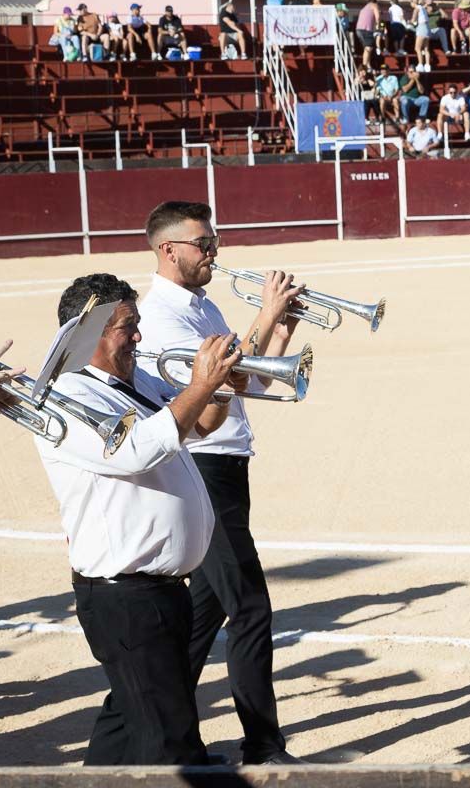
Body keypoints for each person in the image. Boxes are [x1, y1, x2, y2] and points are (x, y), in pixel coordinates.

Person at [35, 273, 242, 765]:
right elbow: (133, 452)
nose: (139, 336)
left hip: (159, 589)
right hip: (123, 594)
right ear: (89, 333)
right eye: (127, 325)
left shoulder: (136, 382)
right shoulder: (67, 399)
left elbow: (200, 425)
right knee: (165, 738)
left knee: (130, 717)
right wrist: (199, 384)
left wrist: (220, 390)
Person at [135, 201, 307, 766]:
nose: (213, 252)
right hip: (204, 468)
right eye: (202, 244)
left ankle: (164, 735)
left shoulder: (202, 306)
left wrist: (277, 333)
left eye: (214, 242)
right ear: (168, 250)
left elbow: (245, 381)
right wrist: (261, 317)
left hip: (228, 466)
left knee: (203, 616)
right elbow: (206, 390)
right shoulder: (161, 316)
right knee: (251, 608)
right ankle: (262, 744)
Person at [356, 0, 380, 71]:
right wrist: (378, 27)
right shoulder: (374, 6)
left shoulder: (364, 8)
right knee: (369, 47)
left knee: (367, 48)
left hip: (358, 29)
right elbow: (378, 17)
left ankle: (368, 65)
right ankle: (365, 66)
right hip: (366, 29)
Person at [412, 0, 432, 72]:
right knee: (426, 49)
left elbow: (413, 19)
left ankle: (420, 64)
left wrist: (410, 22)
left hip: (421, 27)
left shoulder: (417, 8)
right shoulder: (423, 8)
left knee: (417, 48)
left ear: (414, 2)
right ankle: (427, 65)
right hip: (427, 28)